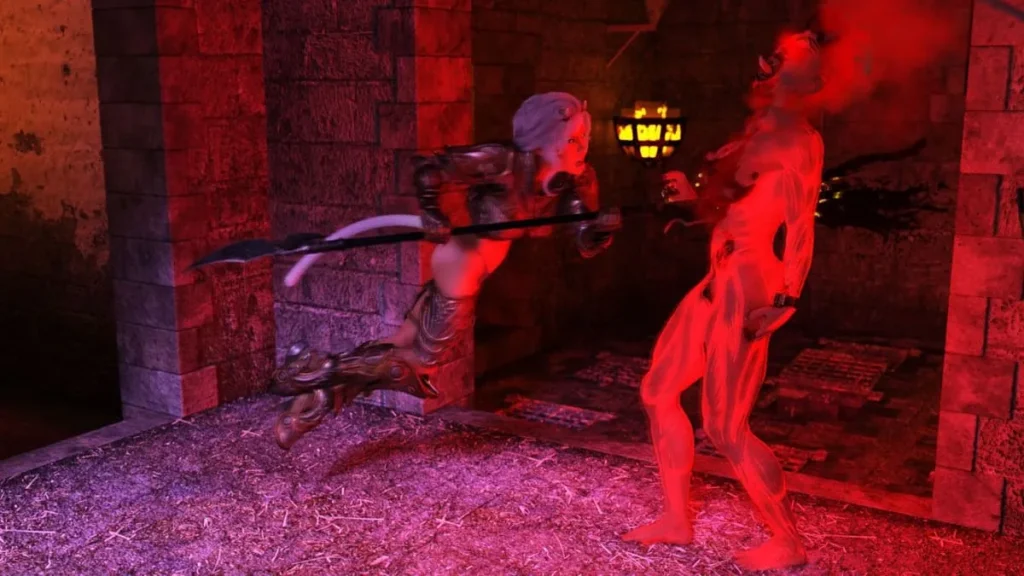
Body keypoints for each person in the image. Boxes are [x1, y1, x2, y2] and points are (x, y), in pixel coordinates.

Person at [272, 92, 622, 450]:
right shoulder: (503, 162)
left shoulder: (577, 180)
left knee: (399, 347)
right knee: (416, 364)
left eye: (585, 138)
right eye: (573, 140)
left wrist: (602, 229)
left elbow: (585, 241)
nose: (582, 148)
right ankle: (312, 370)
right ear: (545, 139)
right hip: (463, 262)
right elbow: (431, 169)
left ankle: (311, 405)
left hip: (476, 269)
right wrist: (432, 213)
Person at [622, 32, 826, 572]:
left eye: (776, 66)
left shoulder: (801, 140)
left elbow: (801, 225)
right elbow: (730, 207)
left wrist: (786, 298)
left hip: (751, 282)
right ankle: (676, 519)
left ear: (799, 80)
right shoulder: (753, 133)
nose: (762, 73)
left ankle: (788, 541)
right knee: (658, 390)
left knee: (725, 426)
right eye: (764, 64)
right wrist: (691, 205)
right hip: (717, 278)